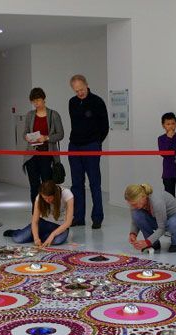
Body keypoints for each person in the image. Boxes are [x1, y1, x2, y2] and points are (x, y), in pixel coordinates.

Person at [67, 74, 109, 229]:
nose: (80, 93)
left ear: (86, 85)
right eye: (76, 90)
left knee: (94, 183)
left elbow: (105, 126)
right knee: (76, 184)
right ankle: (78, 217)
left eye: (81, 89)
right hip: (74, 146)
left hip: (91, 145)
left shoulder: (97, 101)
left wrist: (96, 142)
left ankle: (97, 217)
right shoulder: (72, 102)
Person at [23, 87, 65, 206]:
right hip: (32, 155)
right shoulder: (30, 115)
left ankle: (48, 211)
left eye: (38, 100)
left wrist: (46, 138)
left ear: (43, 99)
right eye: (33, 101)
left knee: (47, 186)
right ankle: (36, 212)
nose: (36, 103)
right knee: (34, 186)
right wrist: (27, 137)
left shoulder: (53, 114)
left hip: (47, 155)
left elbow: (60, 134)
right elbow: (25, 132)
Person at [3, 180, 73, 247]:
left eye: (49, 198)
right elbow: (35, 221)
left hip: (60, 225)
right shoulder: (39, 197)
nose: (47, 201)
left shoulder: (67, 194)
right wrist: (36, 239)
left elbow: (68, 222)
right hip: (43, 223)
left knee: (58, 240)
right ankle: (20, 232)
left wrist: (52, 235)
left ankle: (34, 235)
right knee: (18, 239)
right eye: (45, 198)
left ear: (55, 194)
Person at [124, 183, 176, 253]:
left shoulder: (157, 201)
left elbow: (162, 227)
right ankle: (154, 244)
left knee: (173, 223)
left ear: (143, 197)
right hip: (161, 220)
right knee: (136, 214)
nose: (132, 207)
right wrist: (133, 234)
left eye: (134, 204)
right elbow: (135, 220)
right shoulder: (135, 202)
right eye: (130, 204)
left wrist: (147, 242)